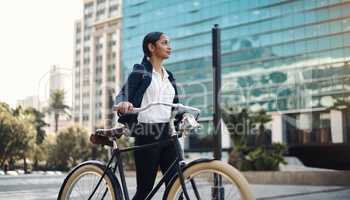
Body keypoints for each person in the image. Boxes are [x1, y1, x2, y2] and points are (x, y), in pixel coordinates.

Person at [114, 32, 183, 200]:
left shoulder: (169, 76)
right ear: (151, 47)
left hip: (168, 133)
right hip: (146, 134)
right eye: (164, 43)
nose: (169, 46)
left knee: (176, 187)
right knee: (145, 190)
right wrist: (123, 103)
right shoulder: (140, 71)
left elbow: (175, 104)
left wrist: (183, 117)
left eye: (169, 42)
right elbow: (123, 94)